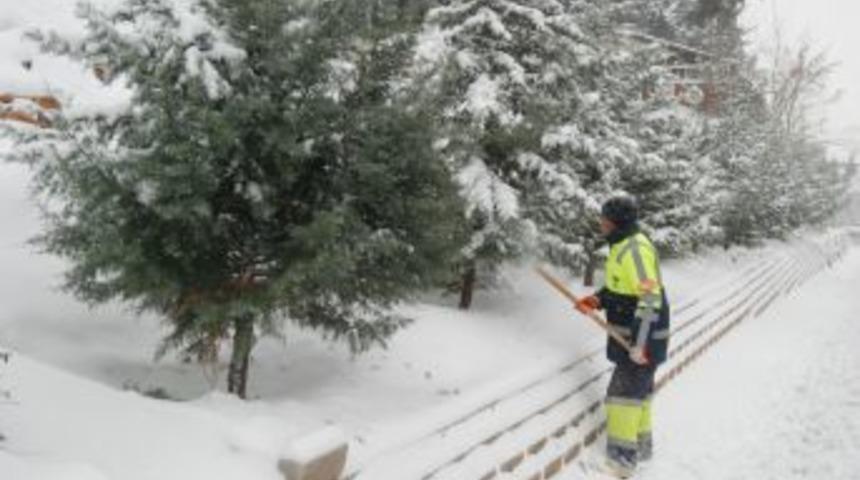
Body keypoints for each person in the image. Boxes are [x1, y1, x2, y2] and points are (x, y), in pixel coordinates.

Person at [575, 195, 670, 478]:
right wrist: (596, 300)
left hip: (642, 341)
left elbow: (650, 299)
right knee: (638, 395)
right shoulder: (620, 246)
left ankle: (621, 463)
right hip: (632, 339)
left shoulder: (635, 250)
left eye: (604, 219)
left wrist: (640, 345)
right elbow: (620, 288)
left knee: (621, 398)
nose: (600, 224)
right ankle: (641, 449)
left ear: (617, 223)